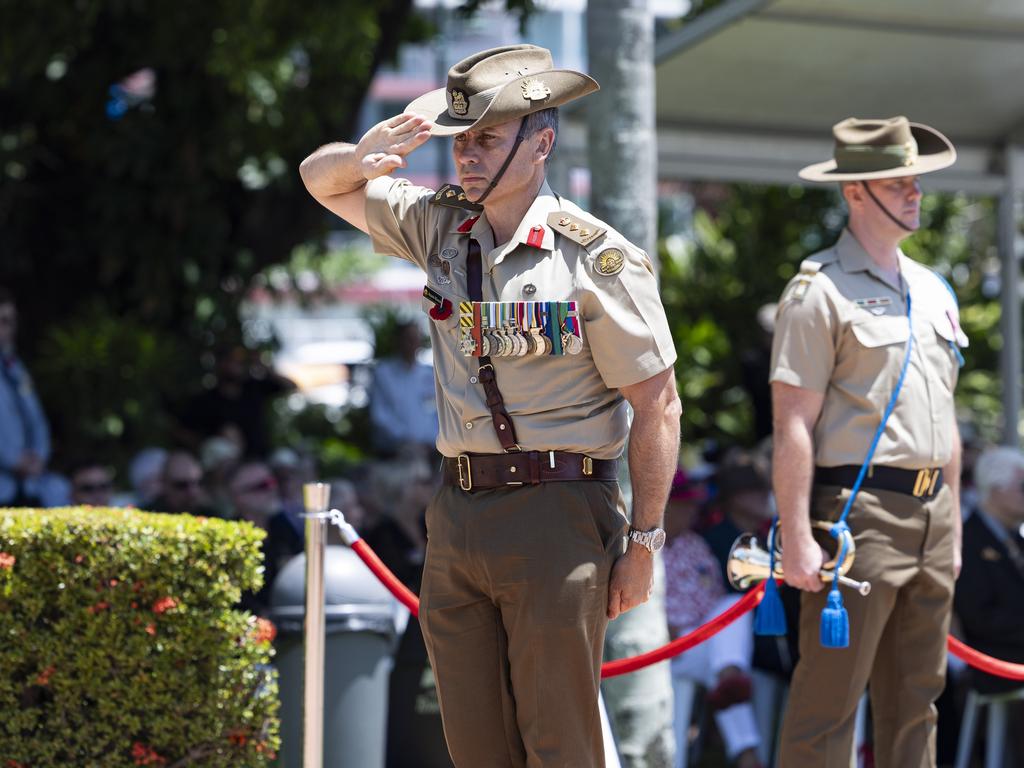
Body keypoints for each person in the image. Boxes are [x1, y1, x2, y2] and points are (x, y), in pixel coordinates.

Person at [299, 44, 680, 767]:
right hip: (459, 508)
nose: (467, 157)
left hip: (559, 511)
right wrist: (366, 153)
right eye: (461, 141)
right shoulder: (441, 227)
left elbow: (658, 403)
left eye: (487, 140)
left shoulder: (593, 259)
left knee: (559, 741)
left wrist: (645, 542)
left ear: (541, 144)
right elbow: (319, 182)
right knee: (473, 744)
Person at [770, 116, 966, 767]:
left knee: (918, 700)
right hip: (861, 515)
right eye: (898, 182)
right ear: (856, 191)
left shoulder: (934, 290)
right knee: (830, 702)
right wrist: (796, 534)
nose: (915, 193)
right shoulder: (817, 291)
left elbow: (948, 421)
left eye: (916, 181)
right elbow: (792, 421)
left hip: (931, 513)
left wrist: (954, 523)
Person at [662, 468, 762, 768]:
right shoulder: (640, 546)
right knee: (726, 675)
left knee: (734, 605)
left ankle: (728, 674)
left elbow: (716, 598)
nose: (692, 511)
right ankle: (747, 756)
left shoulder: (695, 544)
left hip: (702, 641)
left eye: (693, 505)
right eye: (684, 504)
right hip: (662, 646)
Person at [955, 446, 1024, 696]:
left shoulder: (1015, 539)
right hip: (994, 660)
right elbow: (978, 617)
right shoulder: (967, 541)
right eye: (1022, 486)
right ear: (997, 488)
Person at [0, 287, 70, 507]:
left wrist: (39, 457)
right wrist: (12, 460)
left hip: (29, 485)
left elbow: (36, 419)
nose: (5, 329)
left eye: (9, 321)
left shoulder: (15, 367)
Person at [226, 460, 304, 615]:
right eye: (262, 486)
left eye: (272, 482)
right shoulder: (229, 539)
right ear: (239, 497)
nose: (272, 489)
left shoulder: (285, 527)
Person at [369, 320, 440, 457]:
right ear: (399, 341)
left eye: (415, 338)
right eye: (408, 338)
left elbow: (435, 413)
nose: (412, 343)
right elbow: (379, 414)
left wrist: (432, 440)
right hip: (394, 451)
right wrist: (406, 439)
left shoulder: (429, 374)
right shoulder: (383, 373)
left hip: (429, 450)